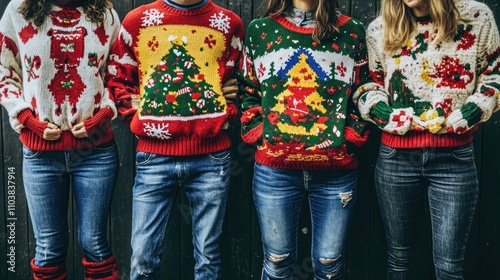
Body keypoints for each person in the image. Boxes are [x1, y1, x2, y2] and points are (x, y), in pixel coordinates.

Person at [354, 0, 500, 278]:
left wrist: (466, 115)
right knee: (399, 259)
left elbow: (494, 77)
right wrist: (395, 117)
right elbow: (367, 86)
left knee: (449, 266)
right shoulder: (379, 29)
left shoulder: (476, 18)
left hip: (454, 159)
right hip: (396, 159)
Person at [105, 0, 244, 278]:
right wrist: (139, 117)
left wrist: (228, 112)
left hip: (211, 157)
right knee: (143, 258)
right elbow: (118, 79)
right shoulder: (138, 21)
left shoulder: (229, 24)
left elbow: (241, 81)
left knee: (208, 257)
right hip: (154, 158)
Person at [238, 0, 376, 278]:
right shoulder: (260, 30)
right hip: (275, 171)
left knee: (329, 263)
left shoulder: (351, 32)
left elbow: (364, 90)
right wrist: (261, 135)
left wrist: (348, 138)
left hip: (336, 172)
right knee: (277, 261)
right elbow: (248, 90)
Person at [0, 0, 121, 279]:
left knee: (94, 244)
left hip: (96, 153)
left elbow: (119, 74)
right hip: (41, 155)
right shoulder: (19, 11)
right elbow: (4, 72)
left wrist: (101, 115)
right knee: (48, 249)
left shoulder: (104, 14)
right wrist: (27, 120)